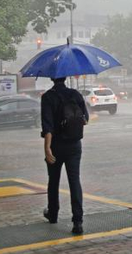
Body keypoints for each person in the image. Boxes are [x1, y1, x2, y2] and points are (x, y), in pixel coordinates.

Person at [41, 77, 89, 235]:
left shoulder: (48, 97)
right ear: (66, 77)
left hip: (56, 145)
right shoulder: (75, 94)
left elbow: (47, 126)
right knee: (74, 181)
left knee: (53, 180)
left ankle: (53, 214)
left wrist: (47, 148)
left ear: (51, 78)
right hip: (75, 145)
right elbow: (85, 120)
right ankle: (78, 222)